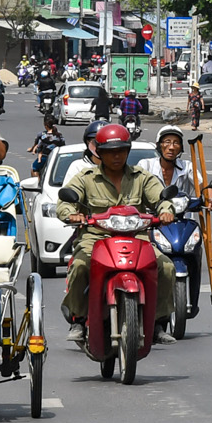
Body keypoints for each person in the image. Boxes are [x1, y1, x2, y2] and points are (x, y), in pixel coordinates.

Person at [58, 123, 176, 345]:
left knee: (166, 267)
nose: (116, 156)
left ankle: (159, 323)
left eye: (121, 151)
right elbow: (65, 201)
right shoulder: (86, 178)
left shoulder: (142, 177)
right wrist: (71, 214)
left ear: (128, 151)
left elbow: (161, 198)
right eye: (110, 152)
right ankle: (78, 318)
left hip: (137, 238)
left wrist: (166, 211)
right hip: (95, 239)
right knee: (81, 266)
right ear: (99, 152)